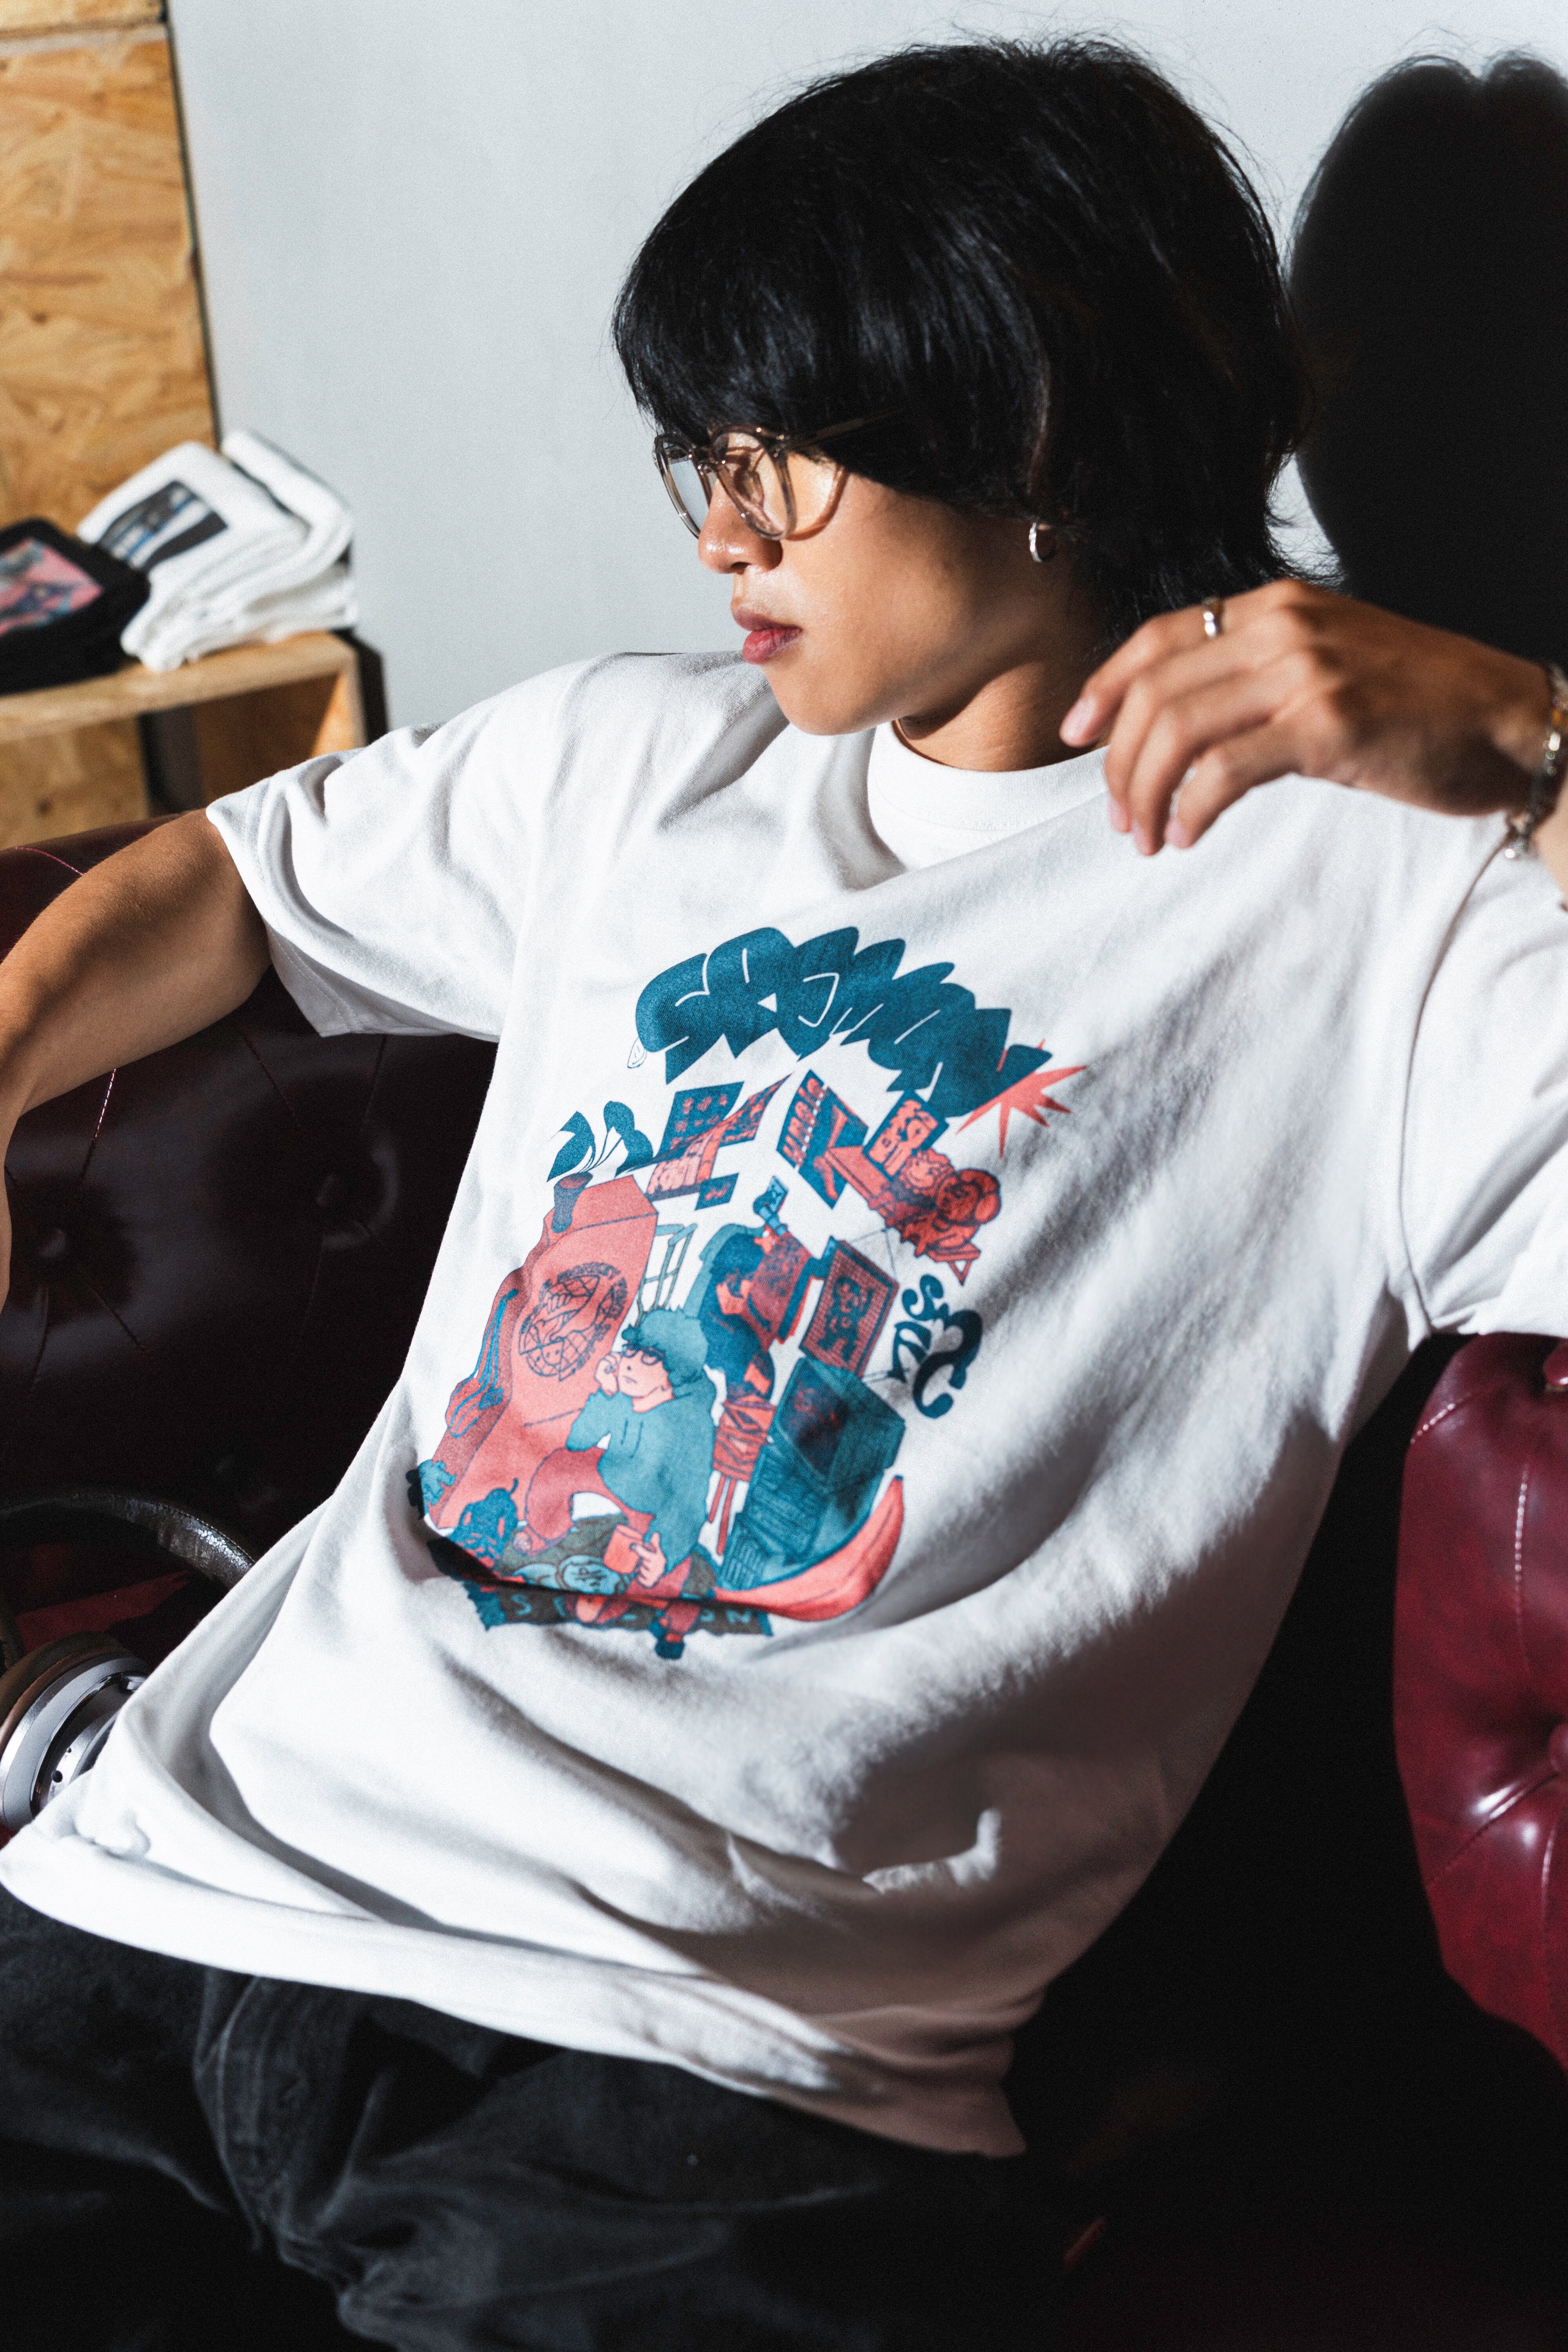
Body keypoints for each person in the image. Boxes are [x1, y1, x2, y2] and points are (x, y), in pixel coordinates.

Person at [0, 34, 1564, 2352]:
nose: (718, 530)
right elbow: (233, 879)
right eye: (696, 455)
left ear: (1030, 419)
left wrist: (1539, 749)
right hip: (166, 1885)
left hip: (689, 2061)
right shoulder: (636, 756)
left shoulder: (1389, 905)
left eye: (777, 459)